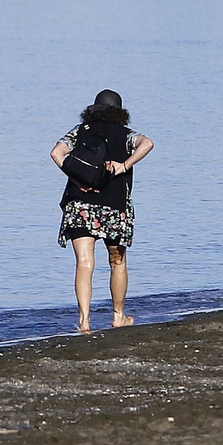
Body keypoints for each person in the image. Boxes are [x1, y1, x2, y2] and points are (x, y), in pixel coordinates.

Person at [49, 90, 154, 335]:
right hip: (114, 204)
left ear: (93, 110)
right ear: (120, 112)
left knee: (84, 263)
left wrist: (77, 176)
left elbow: (56, 153)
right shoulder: (126, 135)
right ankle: (118, 316)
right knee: (117, 261)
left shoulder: (79, 132)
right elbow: (147, 143)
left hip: (80, 203)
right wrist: (124, 166)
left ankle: (85, 321)